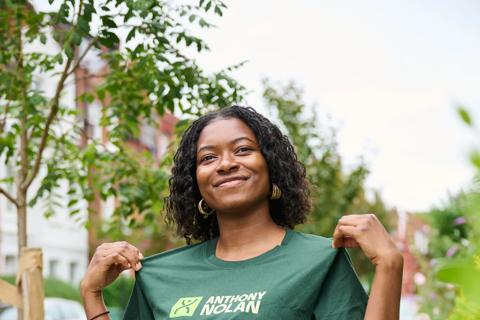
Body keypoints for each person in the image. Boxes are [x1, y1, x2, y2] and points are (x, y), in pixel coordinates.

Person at [81, 106, 403, 320]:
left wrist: (389, 264)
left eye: (243, 150)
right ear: (195, 182)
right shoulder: (160, 276)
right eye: (207, 158)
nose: (225, 164)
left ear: (272, 168)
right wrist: (93, 295)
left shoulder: (320, 260)